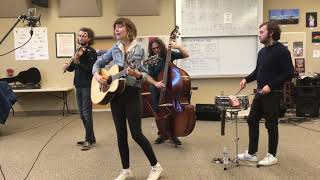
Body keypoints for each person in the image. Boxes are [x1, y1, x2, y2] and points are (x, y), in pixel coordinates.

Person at [92, 18, 163, 180]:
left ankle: (156, 166)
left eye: (120, 27)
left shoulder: (139, 49)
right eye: (115, 27)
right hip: (115, 96)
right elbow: (97, 64)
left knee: (136, 133)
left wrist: (137, 74)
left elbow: (144, 74)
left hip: (132, 94)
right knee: (120, 135)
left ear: (129, 29)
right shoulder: (114, 48)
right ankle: (126, 170)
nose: (117, 30)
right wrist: (97, 76)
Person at [237, 21, 294, 166]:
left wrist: (271, 85)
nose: (259, 35)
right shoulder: (262, 52)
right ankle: (251, 153)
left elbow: (289, 73)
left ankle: (272, 155)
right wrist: (246, 79)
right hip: (260, 92)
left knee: (271, 124)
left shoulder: (282, 51)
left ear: (271, 33)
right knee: (252, 120)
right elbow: (258, 72)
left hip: (273, 93)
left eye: (262, 32)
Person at [147, 37, 190, 145]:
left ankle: (173, 134)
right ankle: (162, 133)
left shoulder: (169, 54)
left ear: (161, 46)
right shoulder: (151, 60)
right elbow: (149, 77)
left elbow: (186, 55)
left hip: (170, 87)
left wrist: (179, 47)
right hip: (157, 87)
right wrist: (156, 83)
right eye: (154, 48)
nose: (156, 50)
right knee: (158, 110)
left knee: (173, 109)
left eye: (158, 47)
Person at [63, 27, 97, 151]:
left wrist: (78, 63)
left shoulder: (91, 52)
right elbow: (73, 67)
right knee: (82, 114)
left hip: (87, 85)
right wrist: (68, 66)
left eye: (84, 36)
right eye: (79, 35)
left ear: (89, 38)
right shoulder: (78, 50)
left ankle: (88, 140)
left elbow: (90, 69)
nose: (81, 37)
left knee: (87, 114)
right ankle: (91, 137)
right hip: (78, 84)